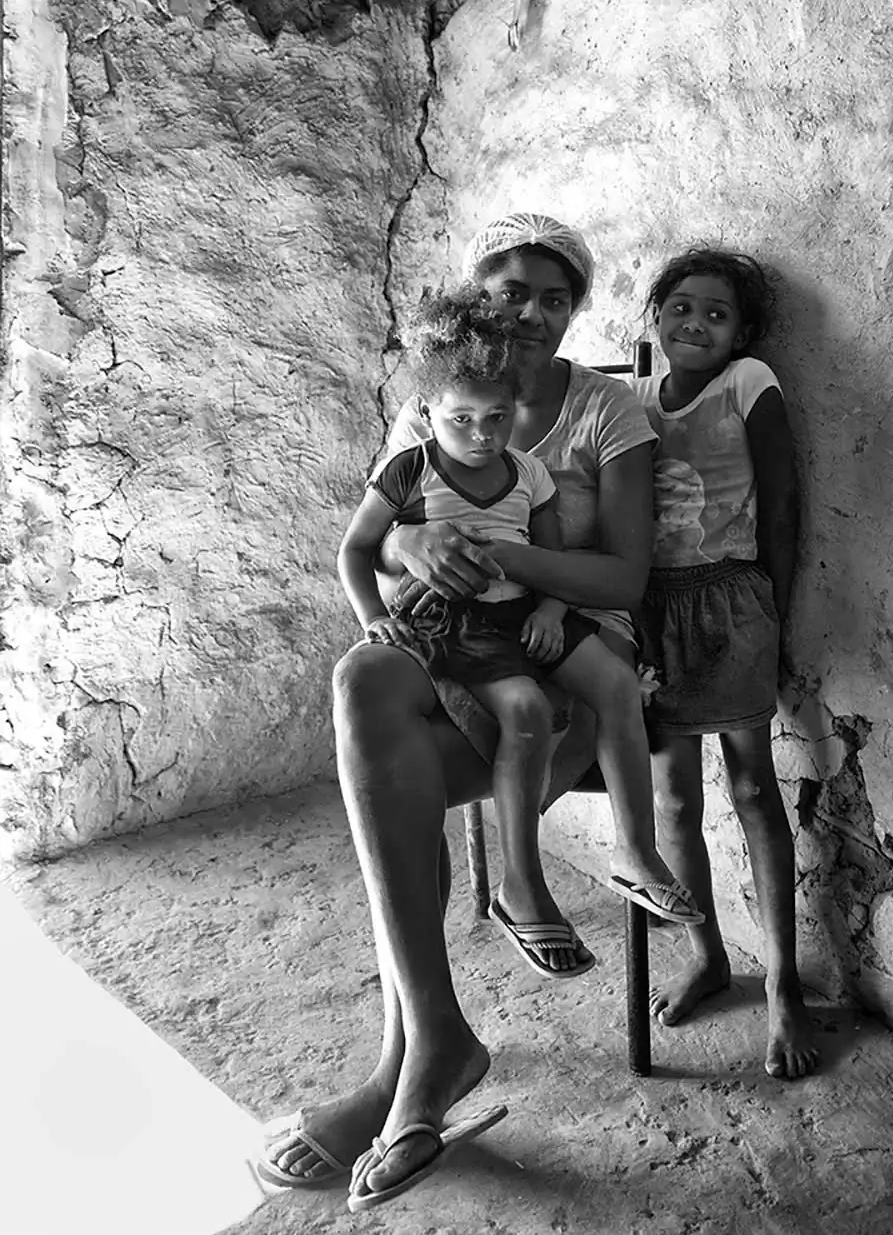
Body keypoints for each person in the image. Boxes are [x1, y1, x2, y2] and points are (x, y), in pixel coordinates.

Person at [257, 213, 662, 1205]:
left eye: (555, 296)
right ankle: (430, 1044)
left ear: (574, 314)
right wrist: (411, 554)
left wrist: (509, 560)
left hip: (561, 652)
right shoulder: (432, 405)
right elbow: (383, 537)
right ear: (472, 301)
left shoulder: (606, 412)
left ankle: (410, 1062)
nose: (532, 310)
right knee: (361, 680)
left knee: (386, 783)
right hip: (445, 643)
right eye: (512, 289)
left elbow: (623, 574)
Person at [338, 291, 702, 985]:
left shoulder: (530, 471)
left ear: (515, 402)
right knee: (524, 712)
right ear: (428, 410)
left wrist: (552, 610)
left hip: (524, 614)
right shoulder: (409, 468)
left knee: (617, 685)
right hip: (458, 626)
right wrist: (372, 616)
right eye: (460, 420)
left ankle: (635, 850)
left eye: (497, 418)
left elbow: (556, 552)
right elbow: (357, 550)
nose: (480, 434)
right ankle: (519, 888)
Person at [634, 246, 819, 1080]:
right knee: (673, 800)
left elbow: (781, 501)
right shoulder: (632, 401)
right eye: (680, 307)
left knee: (752, 788)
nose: (696, 324)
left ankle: (783, 982)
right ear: (656, 318)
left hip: (735, 603)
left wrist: (774, 611)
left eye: (716, 313)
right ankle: (708, 954)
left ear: (743, 331)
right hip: (653, 610)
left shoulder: (750, 382)